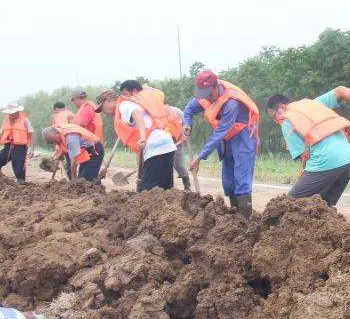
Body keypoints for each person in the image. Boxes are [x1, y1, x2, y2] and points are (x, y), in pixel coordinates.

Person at [265, 87, 350, 207]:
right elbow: (341, 91)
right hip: (348, 161)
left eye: (274, 116)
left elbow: (304, 157)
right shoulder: (313, 103)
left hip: (325, 162)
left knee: (289, 207)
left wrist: (304, 178)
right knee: (323, 209)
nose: (276, 120)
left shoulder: (287, 122)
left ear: (282, 107)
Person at [182, 70, 260, 218]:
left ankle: (246, 222)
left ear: (216, 87)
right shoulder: (204, 95)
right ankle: (234, 219)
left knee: (241, 181)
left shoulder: (232, 103)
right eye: (203, 94)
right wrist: (187, 124)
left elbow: (220, 132)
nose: (208, 99)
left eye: (209, 95)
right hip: (227, 140)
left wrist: (200, 157)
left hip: (243, 137)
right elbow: (189, 109)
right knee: (228, 182)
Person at [97, 81, 177, 192]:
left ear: (108, 100)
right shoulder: (125, 107)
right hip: (165, 146)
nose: (103, 112)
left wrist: (143, 136)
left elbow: (136, 114)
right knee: (165, 190)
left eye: (102, 107)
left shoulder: (123, 105)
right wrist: (141, 173)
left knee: (148, 192)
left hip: (156, 147)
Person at [0, 101, 35, 182]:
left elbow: (31, 135)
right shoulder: (6, 121)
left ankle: (21, 185)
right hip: (7, 147)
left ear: (18, 112)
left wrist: (32, 149)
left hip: (20, 148)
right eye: (10, 113)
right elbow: (0, 134)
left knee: (19, 170)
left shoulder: (25, 121)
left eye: (13, 113)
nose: (11, 115)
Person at [71, 87, 106, 182]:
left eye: (73, 100)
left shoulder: (86, 109)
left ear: (78, 98)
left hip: (92, 148)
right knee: (86, 179)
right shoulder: (92, 107)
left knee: (85, 181)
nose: (74, 103)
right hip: (92, 147)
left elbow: (78, 130)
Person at [168, 105, 191, 190]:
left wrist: (186, 128)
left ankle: (187, 187)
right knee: (166, 166)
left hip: (178, 141)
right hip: (164, 144)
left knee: (179, 165)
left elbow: (186, 124)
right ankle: (168, 188)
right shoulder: (157, 113)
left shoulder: (176, 111)